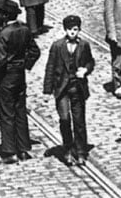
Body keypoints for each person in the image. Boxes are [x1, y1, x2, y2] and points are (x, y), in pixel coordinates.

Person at [41, 14, 95, 167]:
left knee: (79, 121)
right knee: (65, 119)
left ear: (79, 30)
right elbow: (50, 68)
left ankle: (81, 151)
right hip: (62, 89)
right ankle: (68, 149)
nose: (73, 32)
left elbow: (90, 61)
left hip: (77, 87)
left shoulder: (84, 45)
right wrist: (47, 91)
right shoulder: (57, 46)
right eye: (70, 30)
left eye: (75, 29)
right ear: (65, 30)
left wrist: (86, 70)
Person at [0, 0, 40, 162]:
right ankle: (24, 149)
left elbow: (1, 59)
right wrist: (25, 65)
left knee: (6, 112)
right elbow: (35, 51)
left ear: (3, 15)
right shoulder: (25, 29)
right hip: (20, 75)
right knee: (20, 110)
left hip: (6, 76)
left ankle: (10, 150)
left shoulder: (5, 33)